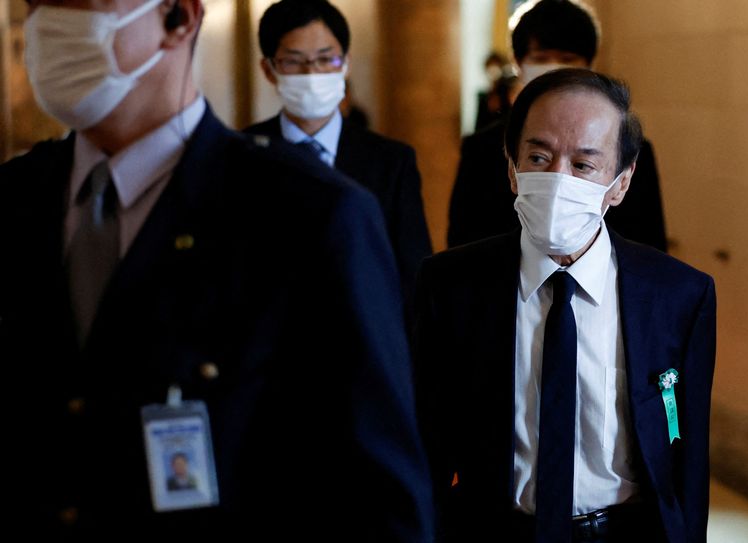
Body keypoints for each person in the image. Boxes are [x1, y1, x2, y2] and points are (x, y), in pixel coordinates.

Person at [1, 1, 433, 540]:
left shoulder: (306, 213)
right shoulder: (14, 202)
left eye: (80, 1)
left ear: (179, 18)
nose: (46, 22)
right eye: (40, 2)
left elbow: (381, 501)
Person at [414, 69, 716, 542]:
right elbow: (424, 443)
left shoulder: (677, 295)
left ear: (620, 184)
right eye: (539, 156)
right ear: (512, 169)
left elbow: (688, 457)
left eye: (583, 165)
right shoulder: (448, 286)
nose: (557, 179)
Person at [245, 0, 432, 312]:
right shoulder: (241, 153)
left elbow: (413, 275)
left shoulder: (390, 162)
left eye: (325, 59)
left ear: (344, 63)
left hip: (363, 340)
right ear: (269, 69)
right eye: (294, 61)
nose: (312, 73)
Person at [447, 0, 668, 252]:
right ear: (518, 61)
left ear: (588, 62)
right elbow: (463, 243)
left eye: (566, 59)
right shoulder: (482, 148)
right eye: (541, 58)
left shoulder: (628, 148)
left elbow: (648, 244)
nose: (554, 69)